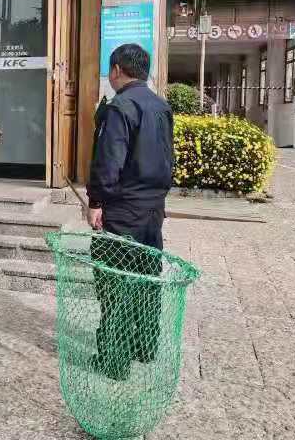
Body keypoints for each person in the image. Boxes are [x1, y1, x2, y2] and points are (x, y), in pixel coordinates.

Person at [86, 43, 174, 380]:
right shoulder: (161, 106)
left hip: (122, 210)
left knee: (115, 286)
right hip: (153, 211)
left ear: (116, 70)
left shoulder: (120, 107)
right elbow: (168, 158)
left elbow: (108, 163)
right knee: (147, 280)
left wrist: (96, 203)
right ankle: (145, 347)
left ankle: (114, 360)